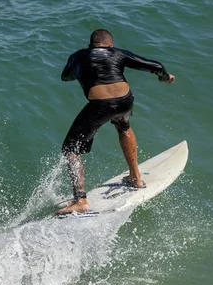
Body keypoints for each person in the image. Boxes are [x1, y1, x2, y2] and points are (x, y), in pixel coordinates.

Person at [57, 29, 175, 215]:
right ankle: (136, 178)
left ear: (90, 44)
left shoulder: (76, 57)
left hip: (100, 105)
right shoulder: (118, 53)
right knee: (123, 127)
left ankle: (80, 200)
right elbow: (154, 65)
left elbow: (65, 77)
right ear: (109, 45)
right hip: (125, 100)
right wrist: (165, 77)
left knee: (70, 149)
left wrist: (80, 71)